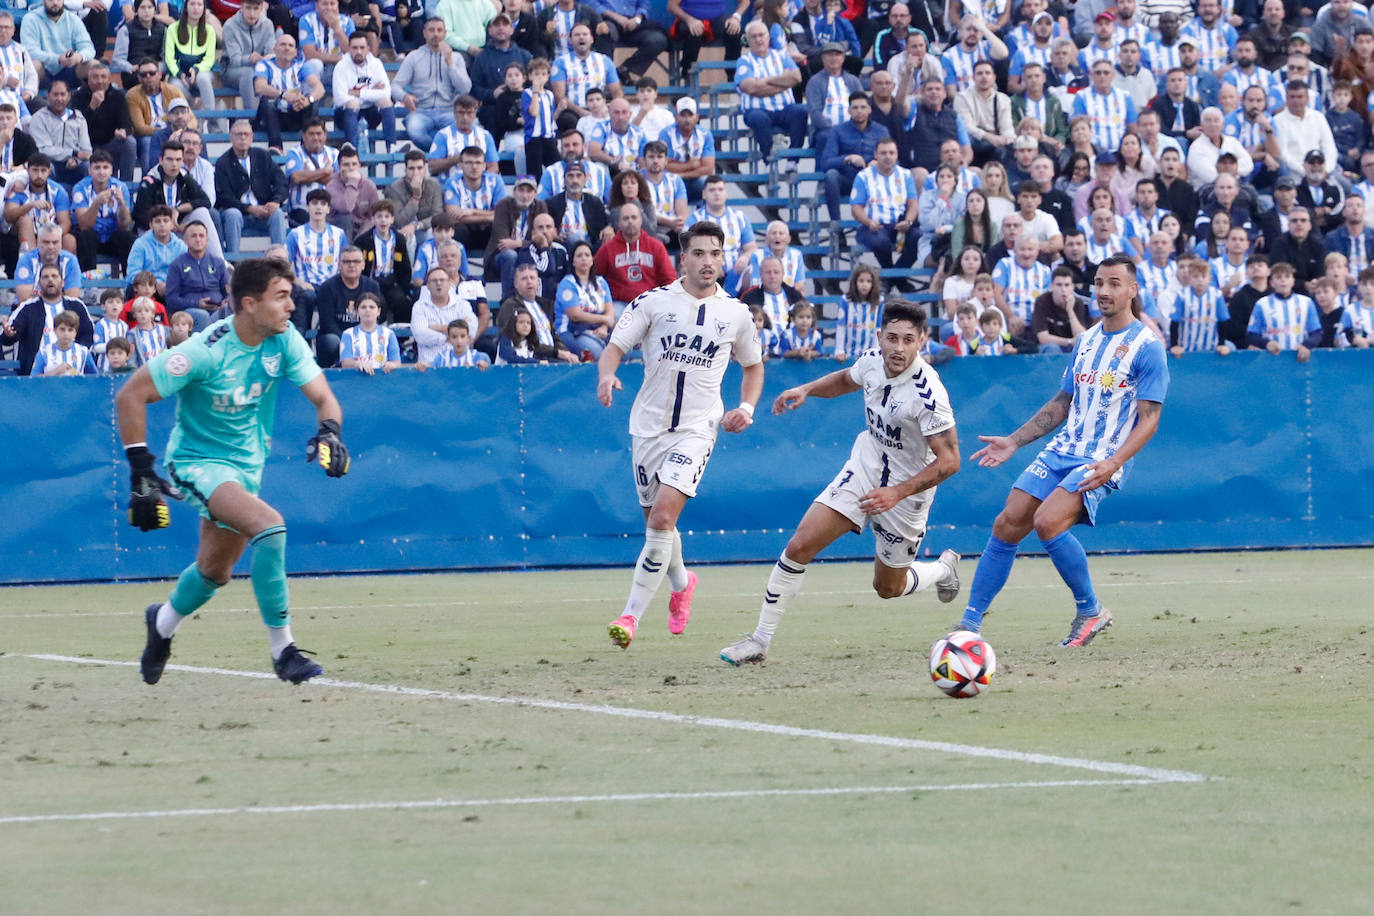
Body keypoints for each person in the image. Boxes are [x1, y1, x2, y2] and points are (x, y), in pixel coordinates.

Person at [118, 256, 350, 687]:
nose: (290, 306)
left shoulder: (284, 340)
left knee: (214, 571)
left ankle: (162, 623)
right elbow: (130, 395)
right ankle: (284, 650)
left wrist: (330, 432)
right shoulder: (205, 351)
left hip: (246, 468)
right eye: (280, 297)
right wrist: (140, 470)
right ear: (248, 304)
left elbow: (324, 399)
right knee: (271, 527)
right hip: (197, 464)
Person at [720, 300, 960, 666]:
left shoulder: (929, 394)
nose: (898, 348)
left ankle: (943, 569)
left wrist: (896, 492)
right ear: (879, 336)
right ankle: (759, 641)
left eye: (907, 340)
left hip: (906, 495)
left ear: (921, 341)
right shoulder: (872, 361)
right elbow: (847, 379)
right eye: (891, 338)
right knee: (800, 544)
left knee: (888, 589)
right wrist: (807, 389)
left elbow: (950, 461)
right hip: (865, 467)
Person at [953, 253, 1168, 647]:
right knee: (1007, 522)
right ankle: (968, 625)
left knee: (1048, 522)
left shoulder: (1147, 347)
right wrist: (1014, 441)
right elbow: (1061, 404)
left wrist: (1114, 462)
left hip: (1102, 458)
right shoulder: (1085, 340)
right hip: (1062, 449)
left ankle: (1091, 611)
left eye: (1114, 283)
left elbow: (1149, 420)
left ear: (1133, 290)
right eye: (1100, 282)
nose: (1104, 291)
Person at [599, 220, 763, 650]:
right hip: (647, 428)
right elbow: (614, 347)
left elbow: (753, 366)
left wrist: (745, 407)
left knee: (663, 519)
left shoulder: (735, 313)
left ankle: (629, 617)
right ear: (682, 258)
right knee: (657, 526)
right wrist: (607, 376)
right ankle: (681, 582)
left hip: (697, 428)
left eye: (715, 254)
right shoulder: (652, 303)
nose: (708, 262)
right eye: (699, 253)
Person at [735, 20, 807, 172]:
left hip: (784, 108)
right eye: (753, 37)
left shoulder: (781, 56)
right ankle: (769, 161)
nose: (758, 39)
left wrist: (765, 82)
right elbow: (750, 87)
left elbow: (796, 78)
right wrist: (781, 83)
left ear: (768, 37)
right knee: (757, 118)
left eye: (761, 35)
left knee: (801, 112)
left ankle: (792, 161)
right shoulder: (744, 61)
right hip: (757, 110)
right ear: (748, 40)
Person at [391, 17, 472, 150]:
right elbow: (395, 86)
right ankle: (443, 154)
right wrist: (405, 97)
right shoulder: (414, 56)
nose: (436, 34)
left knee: (466, 128)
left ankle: (442, 156)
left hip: (449, 111)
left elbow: (465, 88)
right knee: (415, 130)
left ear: (445, 34)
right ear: (424, 33)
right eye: (431, 30)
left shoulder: (456, 58)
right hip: (421, 111)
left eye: (439, 30)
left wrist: (450, 62)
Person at [1, 263, 93, 375]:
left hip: (73, 373)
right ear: (39, 283)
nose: (50, 280)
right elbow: (8, 337)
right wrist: (9, 334)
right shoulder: (27, 307)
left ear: (62, 282)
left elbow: (88, 335)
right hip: (36, 376)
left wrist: (76, 355)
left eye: (54, 276)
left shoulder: (77, 305)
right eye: (45, 277)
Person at [216, 119, 290, 255]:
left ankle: (279, 257)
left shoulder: (262, 156)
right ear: (231, 138)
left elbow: (281, 181)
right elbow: (224, 197)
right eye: (238, 134)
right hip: (239, 213)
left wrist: (275, 201)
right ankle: (234, 260)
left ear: (252, 137)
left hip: (263, 210)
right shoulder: (223, 163)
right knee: (233, 214)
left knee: (277, 214)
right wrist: (249, 209)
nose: (243, 138)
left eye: (246, 134)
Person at [850, 137, 920, 278]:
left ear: (896, 154)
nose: (888, 157)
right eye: (883, 153)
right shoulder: (863, 176)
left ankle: (891, 279)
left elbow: (913, 203)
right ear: (876, 154)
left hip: (899, 225)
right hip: (873, 226)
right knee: (880, 241)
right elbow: (856, 208)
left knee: (919, 237)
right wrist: (868, 222)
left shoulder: (905, 175)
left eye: (891, 153)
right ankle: (896, 278)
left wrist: (909, 221)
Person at [820, 92, 890, 223]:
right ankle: (836, 226)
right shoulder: (837, 131)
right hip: (848, 179)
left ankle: (880, 224)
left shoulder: (881, 131)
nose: (859, 111)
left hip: (873, 181)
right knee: (831, 175)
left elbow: (893, 158)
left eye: (863, 107)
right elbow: (826, 162)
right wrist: (848, 158)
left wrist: (878, 162)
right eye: (855, 108)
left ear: (870, 109)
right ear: (849, 110)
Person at [254, 34, 327, 155]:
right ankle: (276, 146)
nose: (286, 48)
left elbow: (320, 88)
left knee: (313, 103)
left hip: (294, 114)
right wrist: (283, 95)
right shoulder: (264, 65)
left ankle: (306, 147)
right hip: (272, 117)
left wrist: (308, 100)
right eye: (282, 44)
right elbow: (259, 87)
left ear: (295, 52)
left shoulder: (301, 66)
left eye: (290, 45)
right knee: (267, 101)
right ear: (275, 49)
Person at [71, 149, 135, 275]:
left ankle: (131, 282)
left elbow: (125, 225)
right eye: (97, 168)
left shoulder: (121, 187)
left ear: (111, 170)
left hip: (112, 236)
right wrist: (96, 203)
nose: (101, 172)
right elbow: (84, 225)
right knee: (86, 235)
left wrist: (122, 203)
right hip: (91, 237)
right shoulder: (80, 188)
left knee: (127, 237)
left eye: (105, 168)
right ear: (90, 170)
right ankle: (89, 285)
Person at [593, 204, 675, 303]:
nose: (630, 221)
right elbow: (594, 276)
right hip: (620, 304)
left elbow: (669, 278)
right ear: (619, 223)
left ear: (641, 220)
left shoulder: (656, 246)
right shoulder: (607, 249)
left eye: (634, 217)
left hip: (650, 303)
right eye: (625, 218)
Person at [72, 63, 137, 184]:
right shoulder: (78, 96)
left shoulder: (117, 96)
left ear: (109, 79)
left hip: (110, 142)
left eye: (103, 77)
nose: (99, 81)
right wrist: (92, 107)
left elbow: (127, 123)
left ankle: (126, 184)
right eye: (95, 77)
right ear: (89, 79)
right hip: (88, 145)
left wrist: (123, 131)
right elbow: (76, 127)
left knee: (130, 142)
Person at [333, 32, 397, 153]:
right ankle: (351, 150)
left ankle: (392, 148)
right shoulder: (341, 66)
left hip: (370, 113)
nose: (359, 51)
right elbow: (340, 98)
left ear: (368, 48)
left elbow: (386, 93)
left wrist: (357, 93)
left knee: (386, 102)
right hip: (345, 114)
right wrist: (372, 92)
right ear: (349, 48)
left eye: (362, 47)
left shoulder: (376, 64)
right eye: (355, 48)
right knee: (352, 104)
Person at [1246, 260, 1320, 358]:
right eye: (1278, 277)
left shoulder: (1306, 302)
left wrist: (1306, 346)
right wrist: (1267, 344)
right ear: (1272, 283)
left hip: (1298, 359)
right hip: (1271, 359)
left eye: (1287, 276)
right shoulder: (1262, 304)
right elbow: (1251, 334)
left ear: (1293, 281)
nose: (1283, 280)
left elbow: (1317, 333)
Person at [554, 239, 614, 357]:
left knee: (623, 350)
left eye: (587, 255)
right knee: (597, 353)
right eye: (579, 256)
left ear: (592, 260)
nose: (583, 258)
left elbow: (610, 311)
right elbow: (575, 315)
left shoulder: (601, 282)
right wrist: (604, 320)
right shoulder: (567, 284)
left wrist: (604, 327)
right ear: (573, 262)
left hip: (598, 328)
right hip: (570, 331)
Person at [164, 221, 228, 331]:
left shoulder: (218, 263)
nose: (198, 239)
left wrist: (226, 301)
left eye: (201, 236)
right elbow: (171, 299)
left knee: (231, 311)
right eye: (193, 236)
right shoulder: (177, 265)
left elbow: (229, 291)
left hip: (217, 308)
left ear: (207, 240)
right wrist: (197, 304)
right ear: (185, 240)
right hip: (191, 310)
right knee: (202, 315)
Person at [356, 200, 412, 322]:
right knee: (379, 304)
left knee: (402, 302)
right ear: (373, 219)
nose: (383, 220)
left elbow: (405, 266)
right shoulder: (364, 240)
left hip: (392, 281)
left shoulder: (399, 239)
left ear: (392, 219)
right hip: (372, 282)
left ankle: (401, 338)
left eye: (387, 216)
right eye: (379, 216)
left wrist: (404, 288)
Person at [22, 0, 97, 90]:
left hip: (69, 69)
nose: (55, 3)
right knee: (34, 64)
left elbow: (89, 48)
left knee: (94, 65)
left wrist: (78, 57)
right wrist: (58, 59)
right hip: (44, 71)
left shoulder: (74, 19)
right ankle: (31, 100)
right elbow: (30, 52)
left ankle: (98, 101)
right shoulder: (30, 19)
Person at [222, 0, 275, 108]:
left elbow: (270, 53)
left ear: (261, 8)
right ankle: (250, 116)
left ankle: (276, 113)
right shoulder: (230, 26)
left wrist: (266, 59)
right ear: (241, 7)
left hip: (260, 68)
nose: (252, 13)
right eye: (248, 8)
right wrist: (250, 59)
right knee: (247, 73)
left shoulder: (267, 25)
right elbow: (234, 59)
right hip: (231, 70)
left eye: (255, 9)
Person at [126, 204, 188, 291]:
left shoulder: (181, 246)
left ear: (172, 224)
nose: (162, 225)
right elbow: (132, 274)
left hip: (173, 288)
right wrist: (155, 284)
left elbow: (187, 271)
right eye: (157, 221)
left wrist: (171, 285)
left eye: (166, 221)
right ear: (151, 225)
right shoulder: (140, 244)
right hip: (147, 289)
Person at [387, 148, 446, 237]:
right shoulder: (395, 187)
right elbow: (399, 221)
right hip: (403, 230)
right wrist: (415, 197)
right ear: (405, 170)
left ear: (425, 169)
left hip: (425, 228)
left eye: (419, 168)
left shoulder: (434, 185)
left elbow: (437, 216)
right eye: (411, 168)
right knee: (406, 235)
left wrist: (417, 226)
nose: (416, 173)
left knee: (432, 233)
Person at [1030, 265, 1090, 353]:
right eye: (1059, 285)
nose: (1063, 289)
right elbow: (1042, 337)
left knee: (1082, 349)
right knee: (1052, 348)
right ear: (1052, 286)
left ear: (1072, 287)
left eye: (1067, 285)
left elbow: (1082, 338)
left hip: (1069, 349)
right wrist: (1069, 342)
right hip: (1048, 348)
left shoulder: (1078, 303)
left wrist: (1070, 311)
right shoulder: (1042, 301)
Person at [326, 145, 381, 239]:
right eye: (346, 165)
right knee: (345, 218)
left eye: (354, 164)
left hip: (362, 229)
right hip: (338, 230)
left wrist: (360, 237)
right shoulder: (332, 186)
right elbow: (346, 207)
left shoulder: (369, 185)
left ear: (359, 166)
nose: (351, 168)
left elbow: (374, 215)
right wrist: (353, 182)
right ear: (339, 167)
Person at [339, 293, 401, 373]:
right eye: (363, 307)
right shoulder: (348, 334)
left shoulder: (389, 334)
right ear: (357, 311)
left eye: (372, 307)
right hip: (355, 381)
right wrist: (357, 364)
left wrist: (392, 365)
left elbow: (397, 362)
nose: (367, 310)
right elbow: (345, 363)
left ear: (378, 311)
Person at [832, 262, 882, 361]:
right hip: (848, 355)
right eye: (861, 281)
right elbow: (841, 326)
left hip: (869, 357)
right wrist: (840, 351)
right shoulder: (846, 300)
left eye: (868, 281)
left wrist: (876, 352)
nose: (865, 285)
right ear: (855, 282)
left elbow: (878, 329)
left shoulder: (879, 302)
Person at [426, 319, 491, 369]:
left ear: (469, 338)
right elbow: (429, 367)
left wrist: (484, 365)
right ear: (449, 339)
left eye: (462, 336)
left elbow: (488, 370)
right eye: (454, 337)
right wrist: (422, 366)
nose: (459, 341)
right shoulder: (442, 357)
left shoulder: (476, 356)